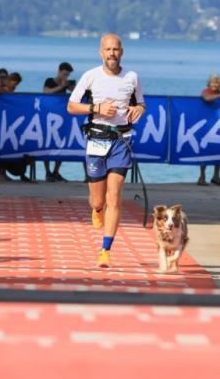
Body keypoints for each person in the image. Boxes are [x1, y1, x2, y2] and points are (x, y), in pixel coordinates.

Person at [67, 34, 145, 268]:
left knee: (115, 197)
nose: (112, 53)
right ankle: (97, 209)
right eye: (108, 49)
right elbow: (71, 106)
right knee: (97, 199)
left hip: (122, 139)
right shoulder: (90, 76)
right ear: (101, 52)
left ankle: (105, 249)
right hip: (97, 139)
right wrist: (97, 108)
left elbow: (141, 102)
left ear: (122, 52)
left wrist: (139, 109)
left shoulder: (132, 77)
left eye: (116, 49)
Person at [43, 62, 76, 182]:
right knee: (47, 144)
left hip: (62, 117)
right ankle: (47, 172)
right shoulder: (50, 81)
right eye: (64, 74)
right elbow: (46, 92)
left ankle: (56, 171)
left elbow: (75, 96)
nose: (65, 77)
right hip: (49, 116)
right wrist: (61, 87)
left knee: (62, 143)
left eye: (67, 75)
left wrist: (72, 88)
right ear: (59, 71)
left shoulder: (66, 84)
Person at [198, 73, 220, 186]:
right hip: (206, 124)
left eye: (217, 82)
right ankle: (202, 176)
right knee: (204, 150)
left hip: (219, 124)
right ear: (209, 83)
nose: (215, 84)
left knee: (219, 150)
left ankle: (216, 176)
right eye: (213, 82)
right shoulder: (205, 91)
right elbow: (207, 98)